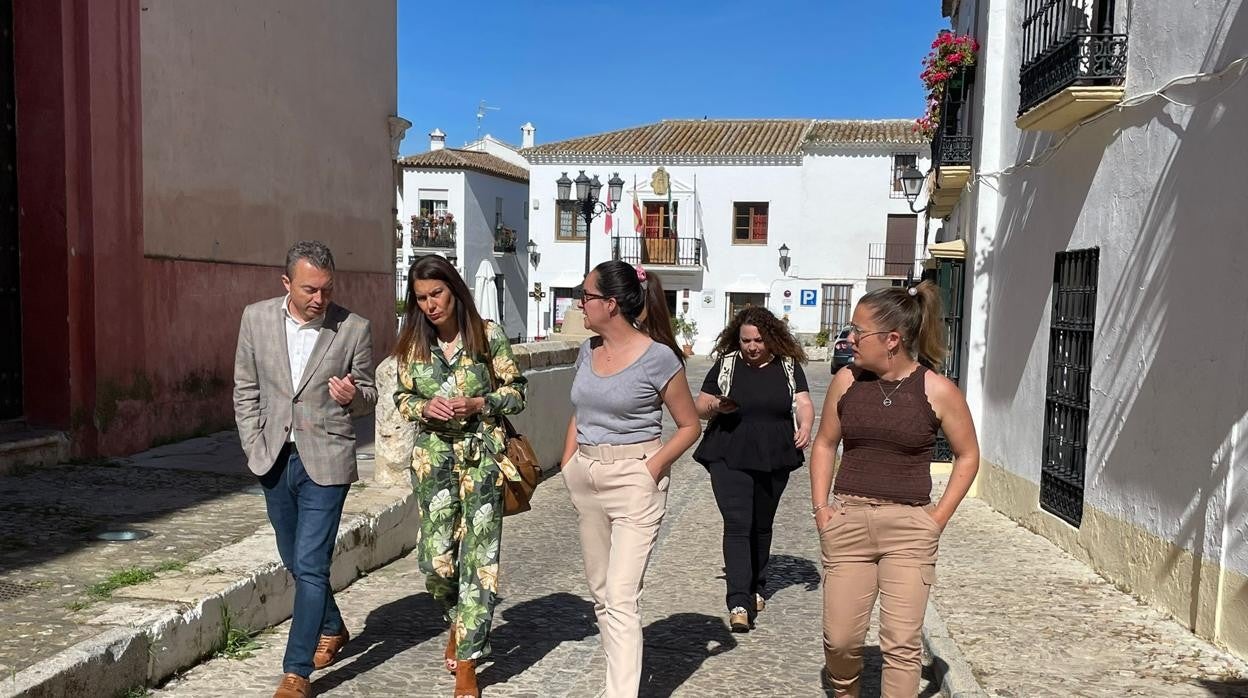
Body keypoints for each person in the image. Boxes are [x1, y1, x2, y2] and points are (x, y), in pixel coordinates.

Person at [808, 281, 979, 697]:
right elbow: (825, 443)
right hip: (848, 522)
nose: (849, 339)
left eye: (857, 331)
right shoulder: (847, 381)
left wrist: (935, 519)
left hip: (909, 530)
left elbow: (968, 455)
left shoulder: (937, 390)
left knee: (902, 645)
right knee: (841, 640)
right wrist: (821, 509)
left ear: (891, 340)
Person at [232, 240, 377, 698]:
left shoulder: (353, 328)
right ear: (286, 283)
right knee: (294, 559)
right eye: (310, 290)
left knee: (312, 564)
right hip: (273, 457)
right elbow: (245, 389)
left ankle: (296, 672)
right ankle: (332, 626)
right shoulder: (255, 319)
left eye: (327, 290)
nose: (320, 300)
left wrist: (352, 397)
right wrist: (253, 445)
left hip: (326, 459)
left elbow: (370, 394)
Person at [560, 261, 701, 698]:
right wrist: (569, 463)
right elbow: (580, 410)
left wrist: (651, 469)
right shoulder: (588, 349)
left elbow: (689, 425)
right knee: (601, 593)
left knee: (621, 596)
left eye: (585, 296)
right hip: (586, 475)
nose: (579, 303)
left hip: (634, 479)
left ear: (611, 304)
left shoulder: (658, 358)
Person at [394, 254, 527, 698]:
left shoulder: (488, 336)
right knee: (434, 560)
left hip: (482, 459)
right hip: (432, 462)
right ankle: (458, 619)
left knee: (480, 560)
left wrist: (480, 404)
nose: (431, 305)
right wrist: (422, 406)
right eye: (422, 298)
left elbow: (517, 392)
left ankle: (469, 660)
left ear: (454, 289)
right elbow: (400, 396)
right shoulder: (411, 344)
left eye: (437, 294)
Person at [692, 306, 814, 632]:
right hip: (729, 451)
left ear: (771, 338)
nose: (752, 346)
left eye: (759, 340)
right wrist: (717, 405)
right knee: (737, 523)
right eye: (746, 340)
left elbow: (802, 402)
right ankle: (738, 602)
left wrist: (806, 425)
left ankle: (758, 585)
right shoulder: (727, 365)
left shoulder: (788, 366)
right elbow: (700, 405)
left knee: (761, 524)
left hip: (774, 452)